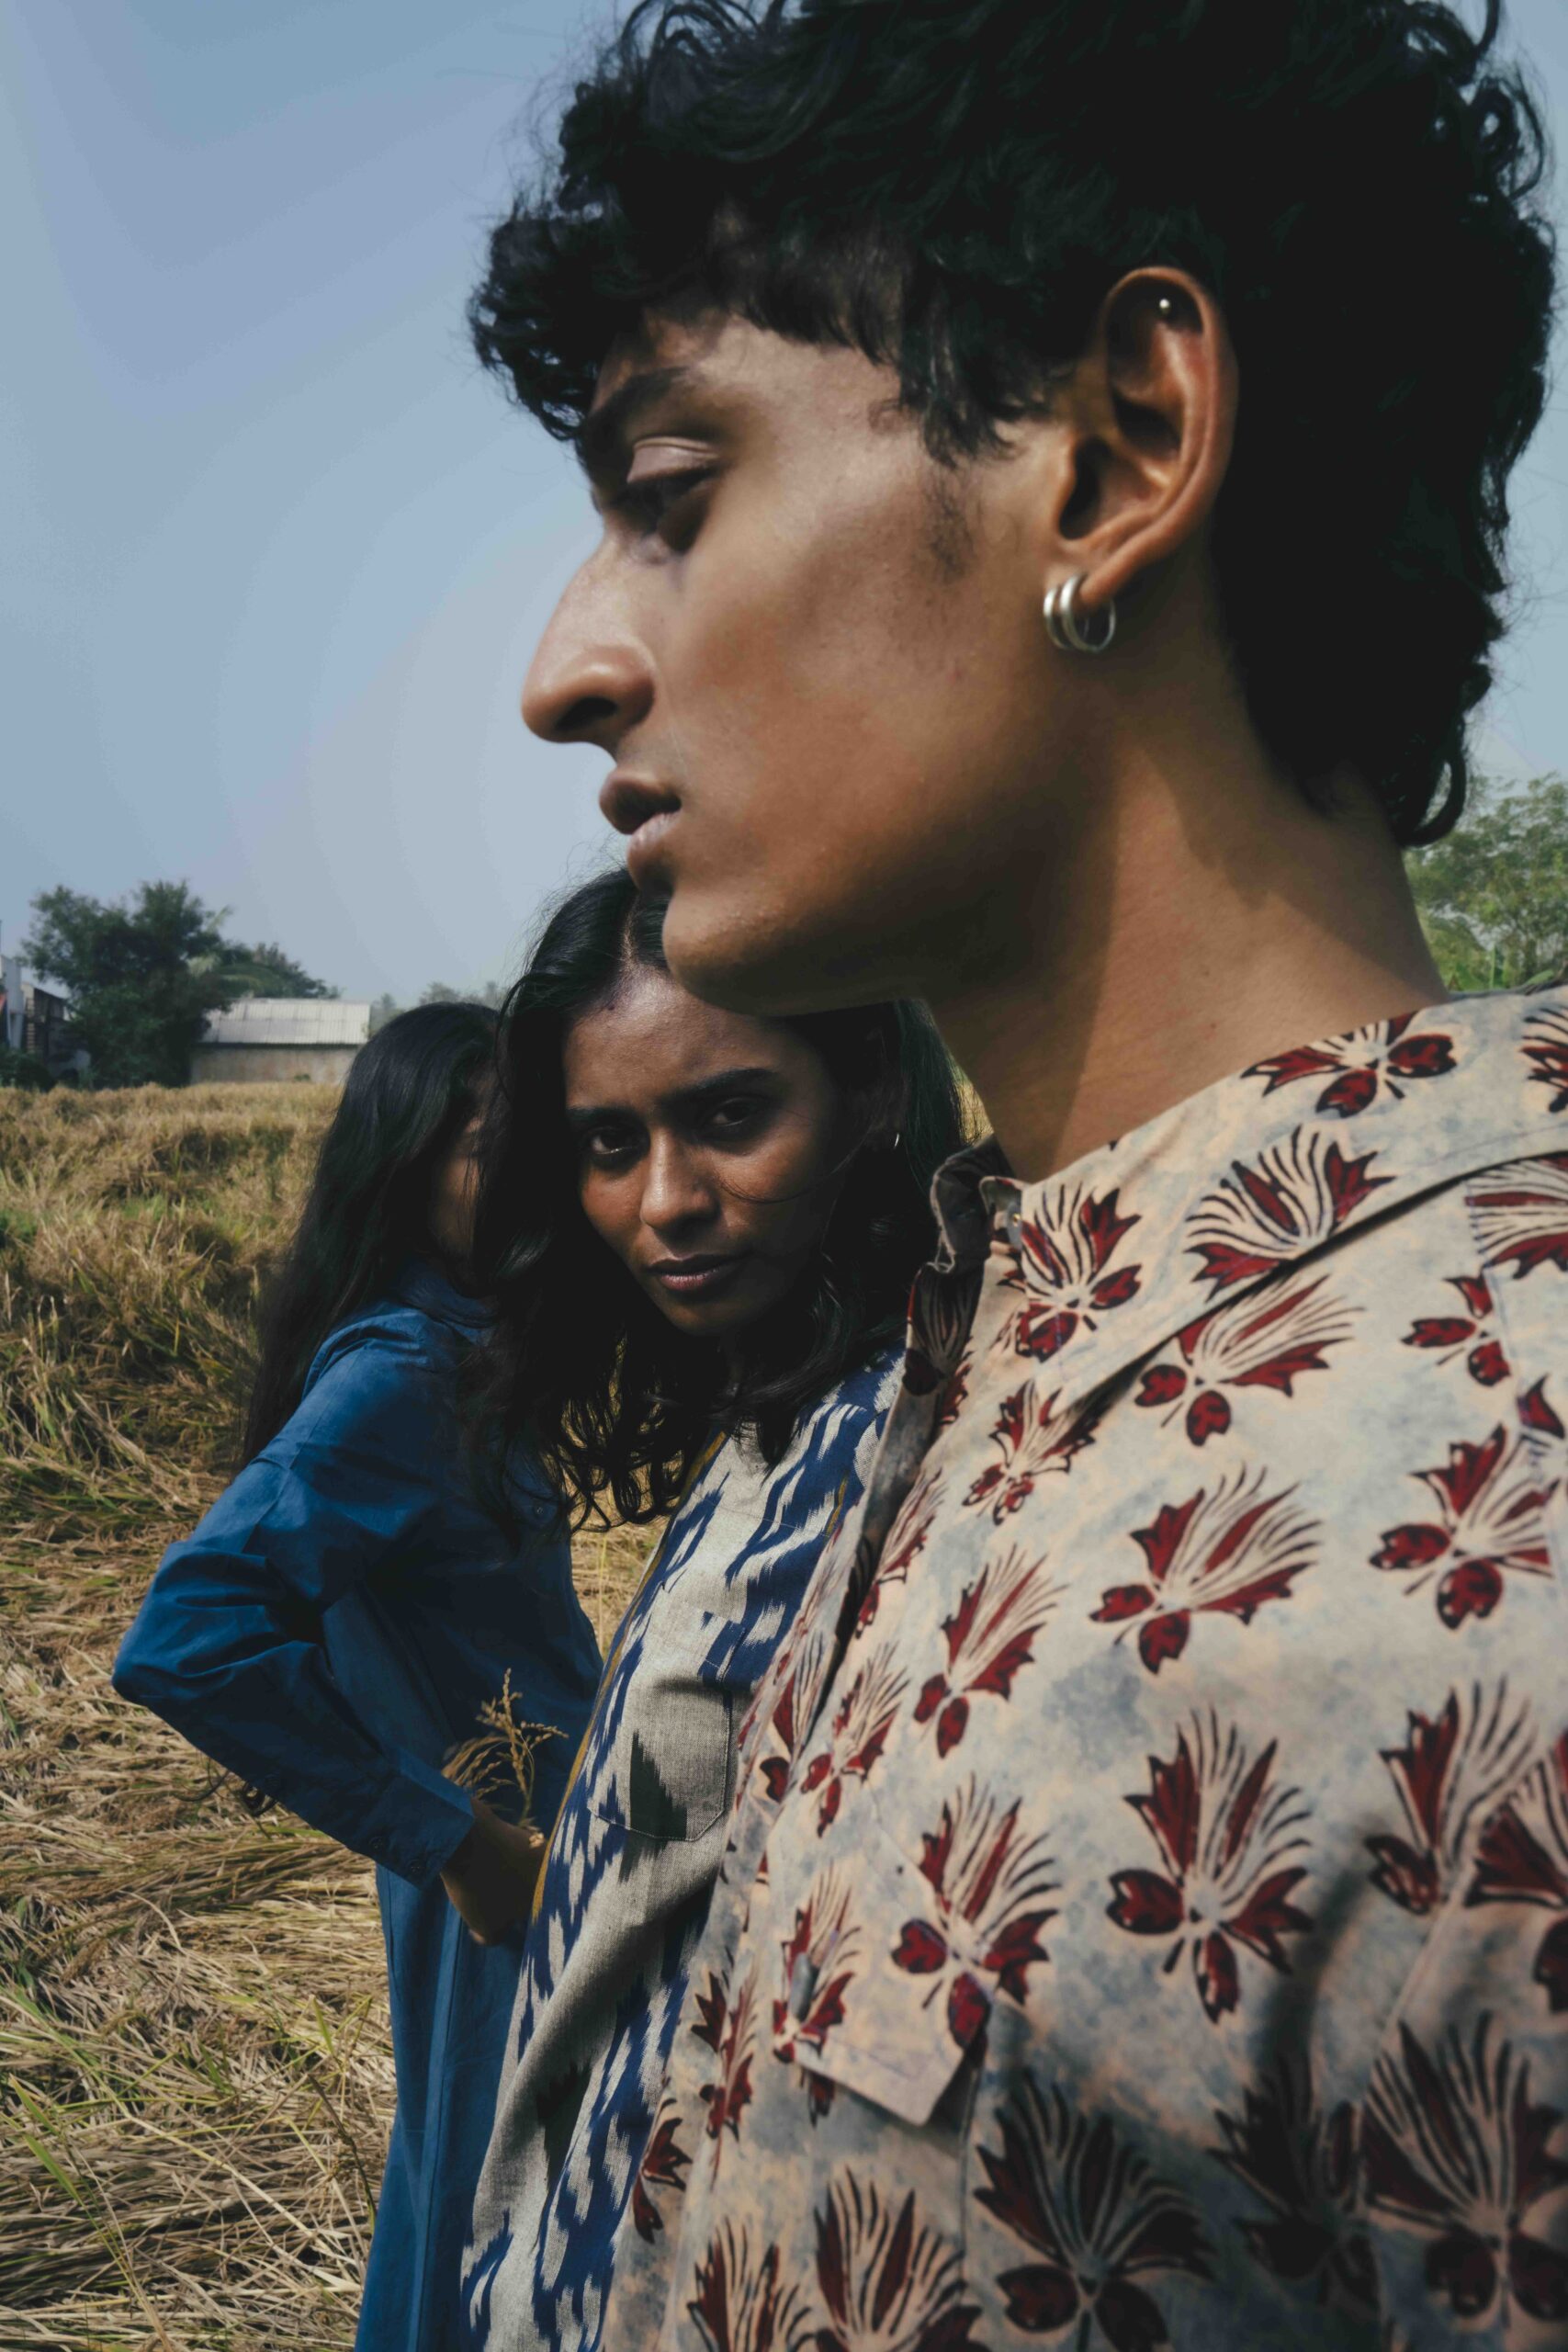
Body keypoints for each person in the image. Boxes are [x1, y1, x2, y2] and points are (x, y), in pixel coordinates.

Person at [467, 0, 1568, 2345]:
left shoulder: (1503, 1526)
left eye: (672, 493)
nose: (567, 665)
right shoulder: (975, 1352)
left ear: (1116, 448)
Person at [459, 870, 965, 2349]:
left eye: (732, 1117)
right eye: (608, 1144)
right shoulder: (768, 1417)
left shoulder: (911, 1446)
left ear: (870, 1093)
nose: (666, 1200)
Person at [112, 1005, 602, 2352]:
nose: (524, 1173)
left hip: (529, 1850)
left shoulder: (468, 1344)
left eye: (542, 1139)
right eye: (485, 1144)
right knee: (491, 2206)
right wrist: (455, 1839)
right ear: (404, 1163)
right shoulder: (404, 1376)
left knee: (469, 2184)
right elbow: (188, 1636)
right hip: (508, 1869)